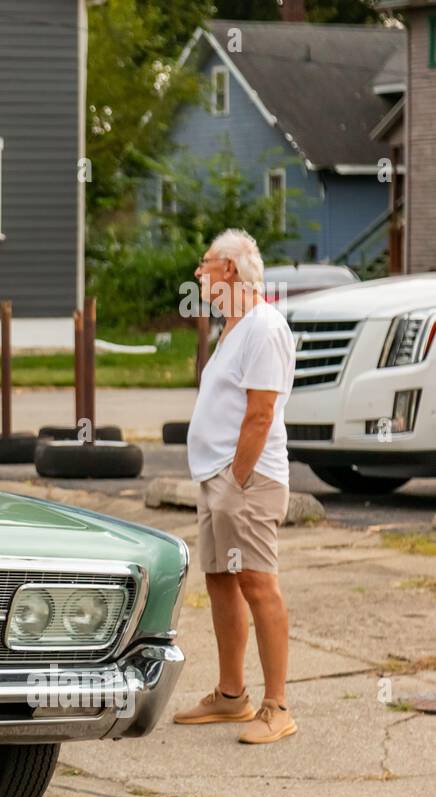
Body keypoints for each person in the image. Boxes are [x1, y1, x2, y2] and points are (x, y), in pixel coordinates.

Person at [173, 228, 298, 745]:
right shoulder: (234, 325)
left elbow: (262, 412)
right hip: (218, 478)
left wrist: (238, 478)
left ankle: (277, 706)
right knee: (221, 582)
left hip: (246, 480)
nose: (198, 274)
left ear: (229, 270)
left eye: (204, 265)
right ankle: (231, 697)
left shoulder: (265, 326)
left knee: (258, 584)